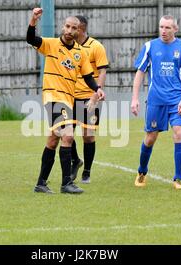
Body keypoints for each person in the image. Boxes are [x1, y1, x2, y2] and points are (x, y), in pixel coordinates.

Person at [27, 8, 105, 194]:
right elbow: (31, 39)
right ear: (63, 27)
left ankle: (41, 183)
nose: (70, 30)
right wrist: (33, 21)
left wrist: (97, 89)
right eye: (67, 26)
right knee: (68, 135)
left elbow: (88, 77)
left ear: (80, 31)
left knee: (53, 140)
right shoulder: (52, 44)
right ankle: (66, 183)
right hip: (53, 96)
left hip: (68, 99)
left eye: (74, 28)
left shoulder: (81, 53)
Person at [131, 15, 181, 190]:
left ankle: (178, 178)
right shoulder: (150, 47)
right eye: (161, 27)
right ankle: (142, 171)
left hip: (176, 100)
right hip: (156, 100)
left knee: (179, 133)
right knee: (150, 138)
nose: (163, 31)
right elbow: (139, 73)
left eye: (167, 28)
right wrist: (135, 98)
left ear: (175, 29)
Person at [70, 15, 109, 184]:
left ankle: (86, 171)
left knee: (88, 135)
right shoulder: (67, 46)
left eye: (74, 27)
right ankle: (76, 160)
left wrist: (95, 95)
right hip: (68, 95)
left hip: (88, 96)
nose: (70, 30)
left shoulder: (96, 46)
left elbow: (102, 72)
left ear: (82, 28)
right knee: (64, 133)